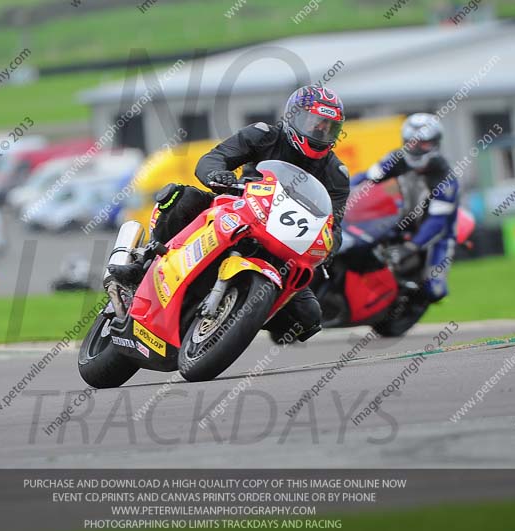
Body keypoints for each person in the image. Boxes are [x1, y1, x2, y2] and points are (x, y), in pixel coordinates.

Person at [109, 84, 351, 343]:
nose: (320, 131)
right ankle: (143, 264)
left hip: (283, 244)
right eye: (314, 123)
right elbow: (215, 158)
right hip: (239, 209)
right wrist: (216, 174)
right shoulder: (264, 135)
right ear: (293, 116)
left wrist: (328, 248)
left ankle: (241, 317)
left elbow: (332, 225)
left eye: (328, 127)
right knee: (182, 197)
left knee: (308, 317)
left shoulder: (336, 173)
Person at [350, 113, 459, 301]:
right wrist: (342, 190)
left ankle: (409, 298)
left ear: (435, 144)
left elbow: (437, 222)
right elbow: (366, 177)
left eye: (423, 144)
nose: (416, 149)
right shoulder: (395, 158)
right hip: (401, 219)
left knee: (434, 291)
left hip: (437, 234)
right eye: (412, 142)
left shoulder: (445, 177)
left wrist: (411, 247)